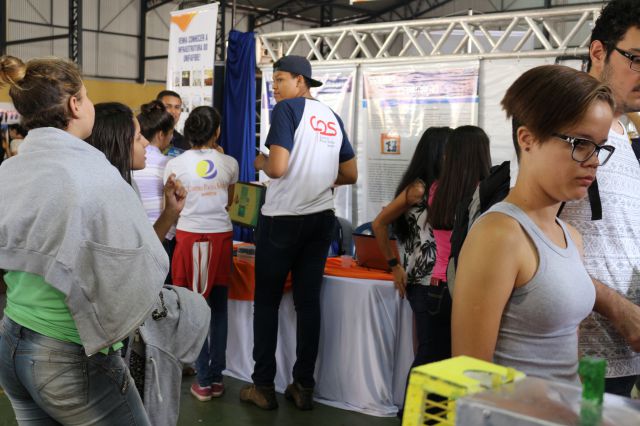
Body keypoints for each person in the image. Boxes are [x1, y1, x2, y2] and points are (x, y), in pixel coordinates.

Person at [0, 55, 168, 425]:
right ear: (75, 104)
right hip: (66, 352)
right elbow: (137, 263)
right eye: (87, 96)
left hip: (11, 338)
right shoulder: (94, 174)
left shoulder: (10, 170)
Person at [452, 65, 615, 383]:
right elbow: (470, 375)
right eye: (580, 143)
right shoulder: (499, 235)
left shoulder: (569, 235)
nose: (594, 160)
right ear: (527, 139)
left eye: (599, 146)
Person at [240, 55, 357, 411]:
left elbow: (277, 168)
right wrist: (318, 179)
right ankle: (303, 385)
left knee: (267, 302)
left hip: (283, 219)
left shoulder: (287, 110)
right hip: (321, 219)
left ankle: (263, 386)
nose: (274, 87)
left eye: (280, 79)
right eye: (273, 81)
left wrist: (260, 162)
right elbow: (350, 174)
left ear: (300, 82)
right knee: (308, 304)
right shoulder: (332, 117)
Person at [556, 0, 640, 395]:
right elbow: (535, 240)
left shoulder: (623, 136)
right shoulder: (566, 126)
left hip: (626, 355)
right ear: (598, 51)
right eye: (637, 59)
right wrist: (615, 305)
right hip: (583, 359)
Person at [163, 105, 238, 402]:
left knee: (194, 309)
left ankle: (203, 379)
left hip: (189, 236)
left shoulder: (174, 164)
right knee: (219, 309)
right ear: (217, 131)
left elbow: (171, 205)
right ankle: (215, 378)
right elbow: (229, 200)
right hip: (221, 237)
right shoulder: (229, 163)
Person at [133, 100, 178, 282]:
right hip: (162, 238)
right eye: (171, 133)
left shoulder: (128, 162)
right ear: (161, 134)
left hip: (134, 238)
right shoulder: (170, 165)